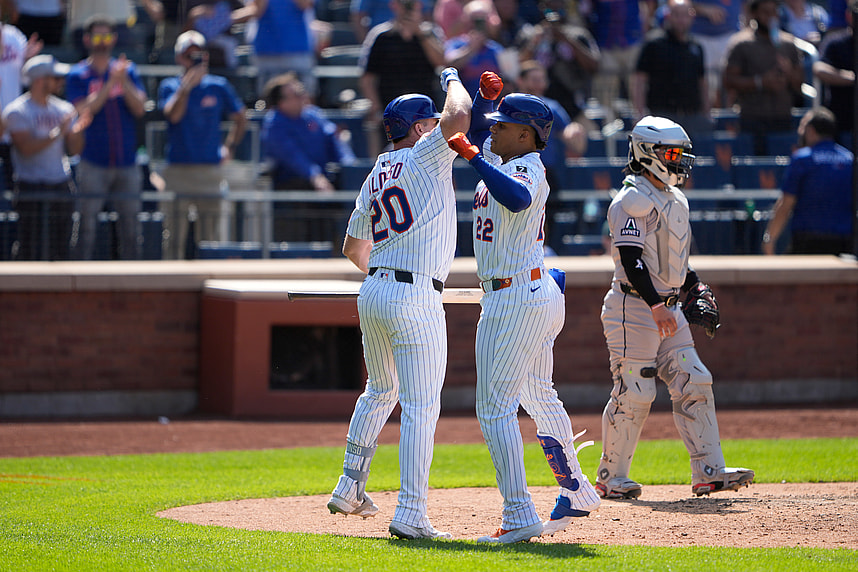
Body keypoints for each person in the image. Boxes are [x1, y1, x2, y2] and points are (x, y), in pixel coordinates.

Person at [446, 74, 601, 543]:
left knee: (494, 409)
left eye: (503, 124)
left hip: (517, 297)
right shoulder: (500, 155)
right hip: (523, 292)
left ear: (527, 134)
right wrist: (480, 100)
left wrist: (475, 156)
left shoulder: (530, 167)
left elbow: (516, 197)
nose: (492, 129)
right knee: (538, 395)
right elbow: (467, 138)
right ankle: (575, 491)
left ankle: (518, 514)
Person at [327, 67, 471, 541]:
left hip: (375, 290)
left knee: (380, 392)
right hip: (414, 294)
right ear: (417, 128)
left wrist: (386, 275)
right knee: (421, 407)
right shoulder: (426, 153)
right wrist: (451, 75)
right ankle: (410, 512)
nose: (435, 126)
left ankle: (350, 486)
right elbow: (460, 114)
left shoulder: (375, 172)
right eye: (427, 122)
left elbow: (352, 248)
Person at [595, 115, 754, 499]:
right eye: (671, 153)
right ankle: (610, 477)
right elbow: (632, 259)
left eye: (681, 153)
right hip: (635, 308)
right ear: (648, 153)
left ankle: (709, 471)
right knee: (635, 390)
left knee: (694, 379)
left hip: (665, 309)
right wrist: (656, 305)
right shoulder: (630, 200)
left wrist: (695, 285)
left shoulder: (673, 198)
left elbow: (675, 262)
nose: (679, 160)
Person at [157, 30, 247, 259]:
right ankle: (173, 284)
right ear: (179, 58)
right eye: (190, 55)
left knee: (210, 239)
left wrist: (229, 147)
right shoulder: (169, 86)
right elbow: (173, 115)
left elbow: (240, 116)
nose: (195, 60)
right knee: (174, 236)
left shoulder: (218, 85)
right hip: (178, 171)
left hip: (209, 170)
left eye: (199, 54)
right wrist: (186, 88)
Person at [66, 15, 147, 260]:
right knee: (86, 226)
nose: (102, 42)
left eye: (107, 37)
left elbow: (140, 108)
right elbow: (83, 110)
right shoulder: (78, 74)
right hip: (93, 161)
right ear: (88, 39)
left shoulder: (128, 70)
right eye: (97, 37)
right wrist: (110, 82)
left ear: (113, 39)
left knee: (131, 228)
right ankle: (78, 279)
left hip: (126, 161)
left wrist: (123, 82)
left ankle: (133, 281)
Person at [3, 54, 91, 260]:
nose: (61, 82)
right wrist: (57, 133)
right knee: (30, 246)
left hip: (60, 185)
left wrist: (77, 133)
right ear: (40, 80)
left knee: (61, 246)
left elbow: (74, 151)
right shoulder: (17, 111)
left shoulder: (64, 109)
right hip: (30, 186)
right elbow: (25, 148)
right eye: (56, 78)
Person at [260, 72, 355, 242]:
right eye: (296, 95)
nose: (303, 96)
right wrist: (315, 177)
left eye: (301, 91)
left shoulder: (312, 114)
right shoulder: (274, 124)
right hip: (292, 192)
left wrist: (350, 166)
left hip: (322, 186)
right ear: (282, 103)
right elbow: (292, 156)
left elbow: (333, 139)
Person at [358, 0, 445, 157]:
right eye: (404, 4)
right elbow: (367, 78)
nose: (408, 8)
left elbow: (441, 62)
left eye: (412, 4)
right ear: (394, 5)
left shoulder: (430, 33)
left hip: (424, 114)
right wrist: (377, 108)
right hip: (391, 114)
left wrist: (420, 33)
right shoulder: (380, 35)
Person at [762, 107, 853, 255]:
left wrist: (769, 239)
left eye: (802, 127)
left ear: (810, 131)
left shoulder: (802, 159)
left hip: (807, 242)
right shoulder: (849, 160)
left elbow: (786, 204)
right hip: (843, 242)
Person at [721, 0, 804, 156]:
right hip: (752, 120)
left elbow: (800, 83)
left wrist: (789, 71)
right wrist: (760, 82)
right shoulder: (741, 44)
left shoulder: (788, 44)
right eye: (765, 12)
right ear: (755, 14)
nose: (770, 17)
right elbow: (729, 81)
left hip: (782, 119)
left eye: (774, 12)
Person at [632, 0, 711, 142]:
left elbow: (702, 81)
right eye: (677, 15)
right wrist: (639, 112)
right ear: (668, 16)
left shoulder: (696, 47)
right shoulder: (654, 44)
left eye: (685, 15)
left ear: (692, 16)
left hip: (692, 116)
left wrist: (706, 111)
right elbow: (639, 79)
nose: (681, 20)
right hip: (662, 116)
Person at [517, 0, 600, 124]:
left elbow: (594, 66)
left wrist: (566, 39)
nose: (554, 9)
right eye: (549, 6)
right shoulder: (529, 34)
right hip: (534, 107)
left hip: (573, 106)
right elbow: (516, 67)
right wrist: (535, 42)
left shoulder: (578, 35)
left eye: (558, 5)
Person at [0, 16, 42, 193]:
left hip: (13, 122)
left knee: (15, 185)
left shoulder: (14, 36)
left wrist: (27, 59)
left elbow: (25, 78)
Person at [243, 0, 318, 97]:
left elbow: (306, 5)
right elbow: (257, 10)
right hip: (266, 51)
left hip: (298, 51)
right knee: (268, 98)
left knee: (304, 97)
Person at [813, 0, 855, 144]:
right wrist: (851, 78)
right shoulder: (835, 42)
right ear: (848, 16)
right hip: (841, 120)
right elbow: (819, 69)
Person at [443, 0, 504, 97]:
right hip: (464, 100)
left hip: (491, 102)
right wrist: (471, 49)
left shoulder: (495, 48)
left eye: (481, 20)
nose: (477, 24)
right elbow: (450, 64)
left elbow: (509, 74)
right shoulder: (456, 44)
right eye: (474, 20)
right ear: (466, 21)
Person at [689, 0, 743, 107]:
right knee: (705, 85)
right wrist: (703, 9)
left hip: (730, 35)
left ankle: (727, 117)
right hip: (701, 37)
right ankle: (707, 115)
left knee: (730, 80)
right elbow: (677, 3)